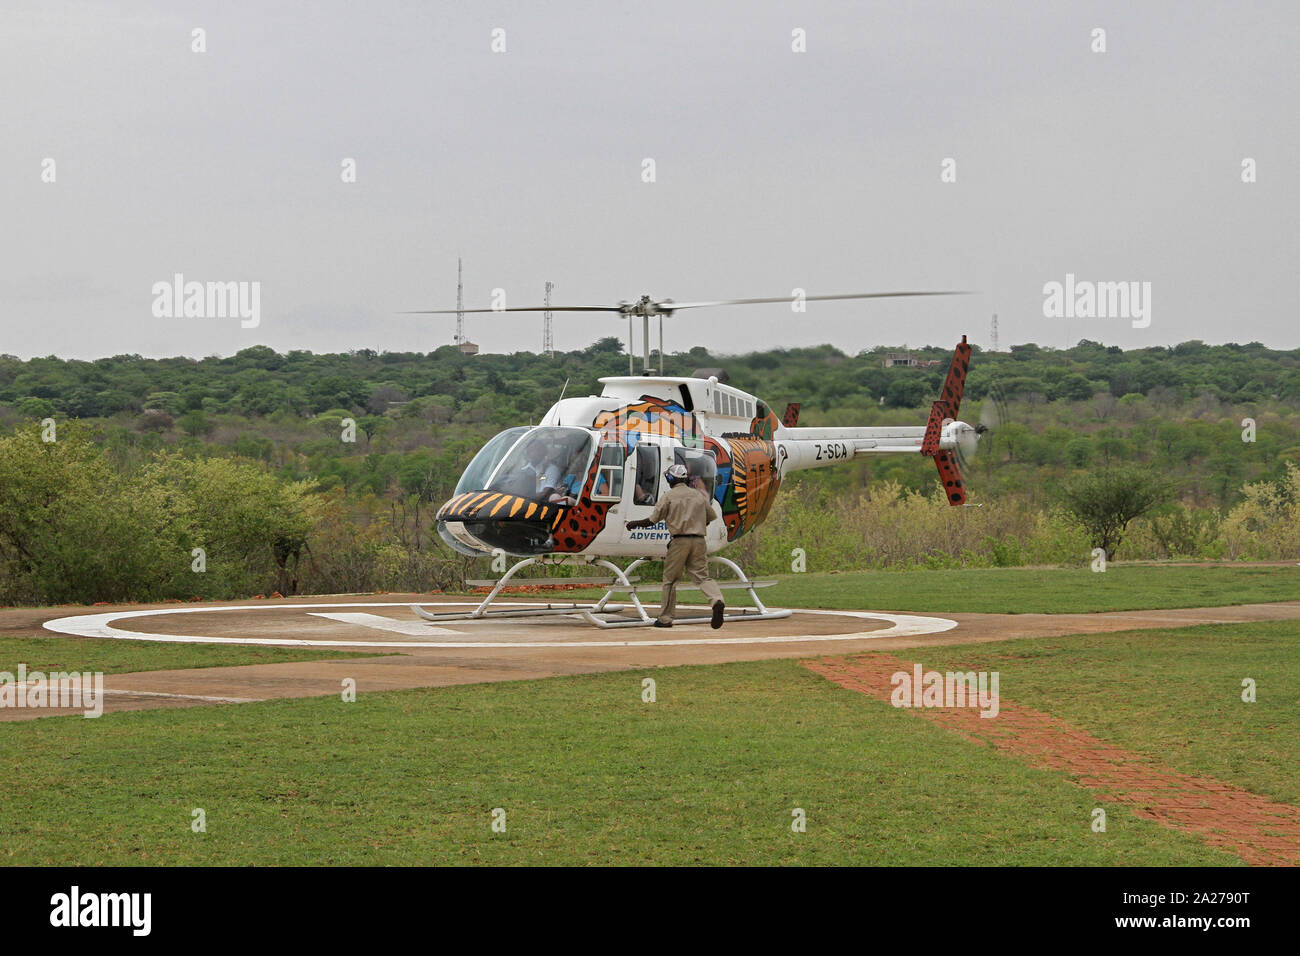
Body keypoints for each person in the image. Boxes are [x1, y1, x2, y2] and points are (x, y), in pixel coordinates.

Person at [625, 463, 725, 629]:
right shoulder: (698, 495)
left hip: (679, 541)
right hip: (699, 540)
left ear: (670, 478)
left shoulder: (669, 496)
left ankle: (665, 618)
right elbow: (709, 517)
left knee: (670, 580)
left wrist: (634, 524)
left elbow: (652, 520)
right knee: (702, 577)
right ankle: (717, 600)